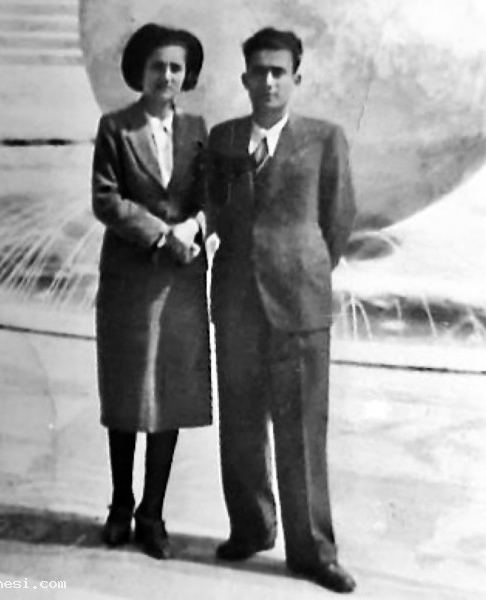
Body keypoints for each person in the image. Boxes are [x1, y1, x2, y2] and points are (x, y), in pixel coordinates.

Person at [207, 27, 356, 593]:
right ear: (244, 78)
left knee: (302, 431)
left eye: (279, 72)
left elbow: (337, 219)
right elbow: (215, 210)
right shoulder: (223, 139)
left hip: (299, 301)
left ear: (296, 78)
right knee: (241, 423)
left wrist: (305, 267)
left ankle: (313, 550)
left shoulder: (324, 139)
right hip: (237, 300)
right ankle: (251, 527)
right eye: (259, 72)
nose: (268, 81)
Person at [91, 23, 210, 561]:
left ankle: (153, 512)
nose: (167, 76)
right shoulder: (115, 128)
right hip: (130, 279)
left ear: (187, 75)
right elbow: (106, 199)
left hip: (181, 279)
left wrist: (194, 228)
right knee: (126, 393)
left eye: (176, 67)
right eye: (157, 66)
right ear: (139, 71)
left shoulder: (199, 131)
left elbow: (213, 197)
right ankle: (121, 505)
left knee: (170, 394)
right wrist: (162, 235)